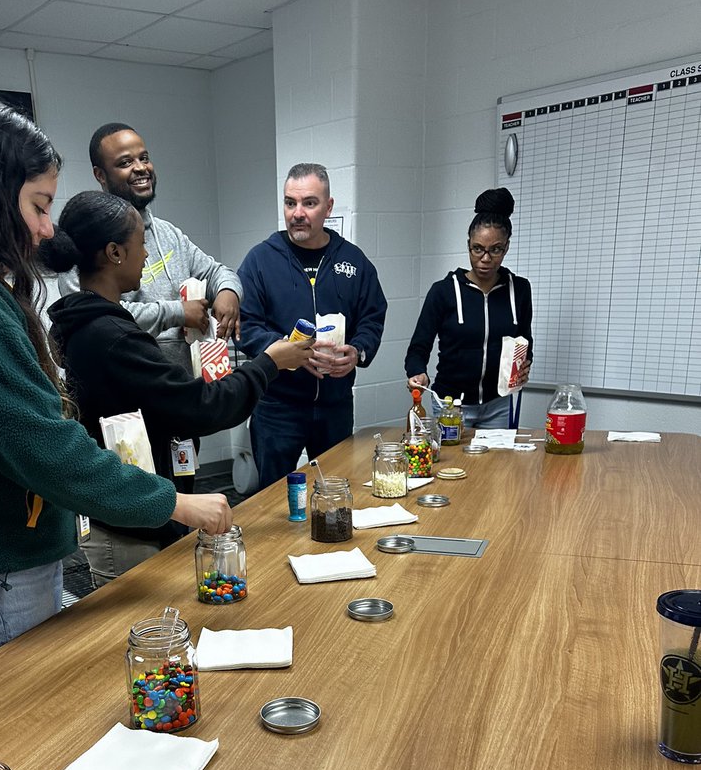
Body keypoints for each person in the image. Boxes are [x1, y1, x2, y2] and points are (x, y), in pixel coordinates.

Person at [0, 100, 230, 671]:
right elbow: (41, 444)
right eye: (39, 206)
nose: (49, 229)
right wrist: (173, 503)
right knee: (23, 720)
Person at [42, 191, 313, 585]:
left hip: (143, 512)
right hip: (130, 530)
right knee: (151, 636)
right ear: (116, 253)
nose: (148, 257)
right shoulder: (110, 336)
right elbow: (203, 407)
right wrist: (270, 363)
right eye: (141, 246)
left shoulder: (93, 325)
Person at [237, 163, 387, 491]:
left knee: (334, 492)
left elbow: (373, 317)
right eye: (290, 203)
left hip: (335, 404)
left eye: (309, 203)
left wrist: (358, 351)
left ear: (328, 207)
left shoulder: (353, 261)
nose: (297, 213)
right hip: (278, 406)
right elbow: (246, 325)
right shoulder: (261, 260)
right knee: (272, 499)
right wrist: (284, 352)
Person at [58, 122, 242, 374]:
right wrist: (177, 312)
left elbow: (216, 272)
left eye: (144, 158)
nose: (140, 168)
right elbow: (96, 318)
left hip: (179, 393)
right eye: (125, 163)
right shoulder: (86, 238)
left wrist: (227, 292)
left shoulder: (169, 234)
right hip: (128, 394)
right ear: (100, 175)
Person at [404, 187, 533, 428]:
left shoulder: (520, 290)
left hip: (500, 406)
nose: (485, 258)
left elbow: (525, 341)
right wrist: (417, 372)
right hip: (450, 405)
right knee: (452, 467)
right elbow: (418, 348)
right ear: (468, 245)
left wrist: (524, 366)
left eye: (495, 250)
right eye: (478, 249)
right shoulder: (443, 291)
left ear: (506, 247)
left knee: (499, 466)